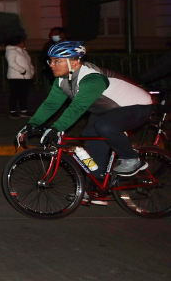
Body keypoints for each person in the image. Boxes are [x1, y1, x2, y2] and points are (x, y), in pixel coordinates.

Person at [22, 41, 154, 183]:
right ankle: (96, 184)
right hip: (107, 110)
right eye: (51, 61)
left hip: (138, 106)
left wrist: (56, 128)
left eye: (57, 61)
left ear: (73, 63)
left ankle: (132, 159)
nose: (51, 65)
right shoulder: (62, 80)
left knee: (105, 126)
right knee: (89, 135)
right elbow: (50, 104)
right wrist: (32, 124)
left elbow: (77, 107)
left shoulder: (92, 79)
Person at [5, 36, 34, 118]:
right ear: (17, 43)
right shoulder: (11, 51)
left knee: (24, 94)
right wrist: (22, 71)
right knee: (15, 94)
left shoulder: (23, 51)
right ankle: (12, 111)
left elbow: (28, 63)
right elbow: (12, 63)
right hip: (15, 77)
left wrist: (31, 72)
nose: (24, 43)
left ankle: (23, 111)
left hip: (26, 77)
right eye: (22, 42)